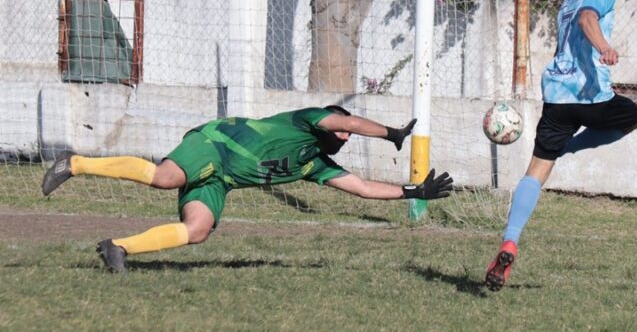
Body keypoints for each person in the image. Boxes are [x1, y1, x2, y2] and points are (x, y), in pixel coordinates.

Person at [41, 105, 453, 273]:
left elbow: (362, 187)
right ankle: (75, 163)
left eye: (349, 137)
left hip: (220, 178)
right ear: (330, 122)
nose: (345, 137)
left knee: (198, 229)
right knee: (164, 177)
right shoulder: (306, 120)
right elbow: (350, 123)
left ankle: (119, 247)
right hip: (214, 144)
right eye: (342, 130)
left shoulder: (314, 164)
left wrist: (412, 192)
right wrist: (391, 133)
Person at [484, 0, 637, 291]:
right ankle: (570, 147)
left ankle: (510, 241)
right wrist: (604, 47)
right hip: (589, 96)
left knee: (536, 172)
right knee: (635, 116)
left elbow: (579, 15)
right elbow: (589, 18)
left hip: (556, 96)